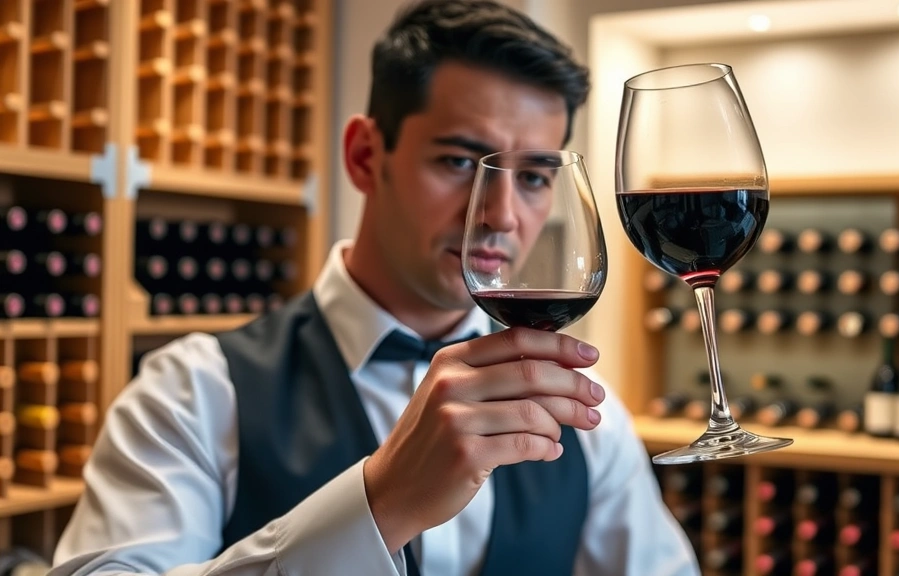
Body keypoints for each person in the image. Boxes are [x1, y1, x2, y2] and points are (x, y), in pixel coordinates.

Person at [49, 1, 700, 575]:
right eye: (458, 163)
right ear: (365, 156)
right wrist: (378, 504)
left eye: (533, 177)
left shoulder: (591, 420)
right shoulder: (190, 392)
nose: (502, 214)